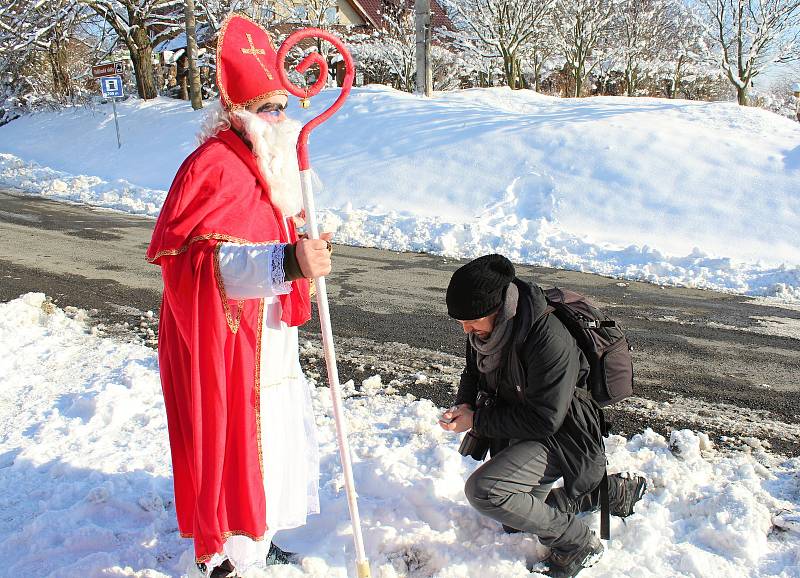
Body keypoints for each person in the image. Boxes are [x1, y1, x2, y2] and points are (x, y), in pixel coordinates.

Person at [146, 14, 332, 578]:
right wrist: (287, 261)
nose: (279, 119)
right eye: (268, 109)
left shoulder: (265, 166)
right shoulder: (214, 167)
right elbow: (201, 263)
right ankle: (228, 554)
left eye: (282, 107)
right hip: (227, 342)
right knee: (231, 439)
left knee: (271, 436)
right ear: (238, 113)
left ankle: (261, 531)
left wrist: (302, 243)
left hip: (269, 335)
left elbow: (271, 231)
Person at [439, 254, 647, 578]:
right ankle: (607, 492)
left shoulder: (548, 338)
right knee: (514, 518)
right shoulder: (486, 330)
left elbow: (545, 419)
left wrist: (477, 421)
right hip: (525, 425)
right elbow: (472, 370)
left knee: (486, 491)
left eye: (471, 320)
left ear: (497, 307)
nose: (466, 328)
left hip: (563, 434)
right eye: (461, 322)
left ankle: (577, 543)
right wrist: (464, 405)